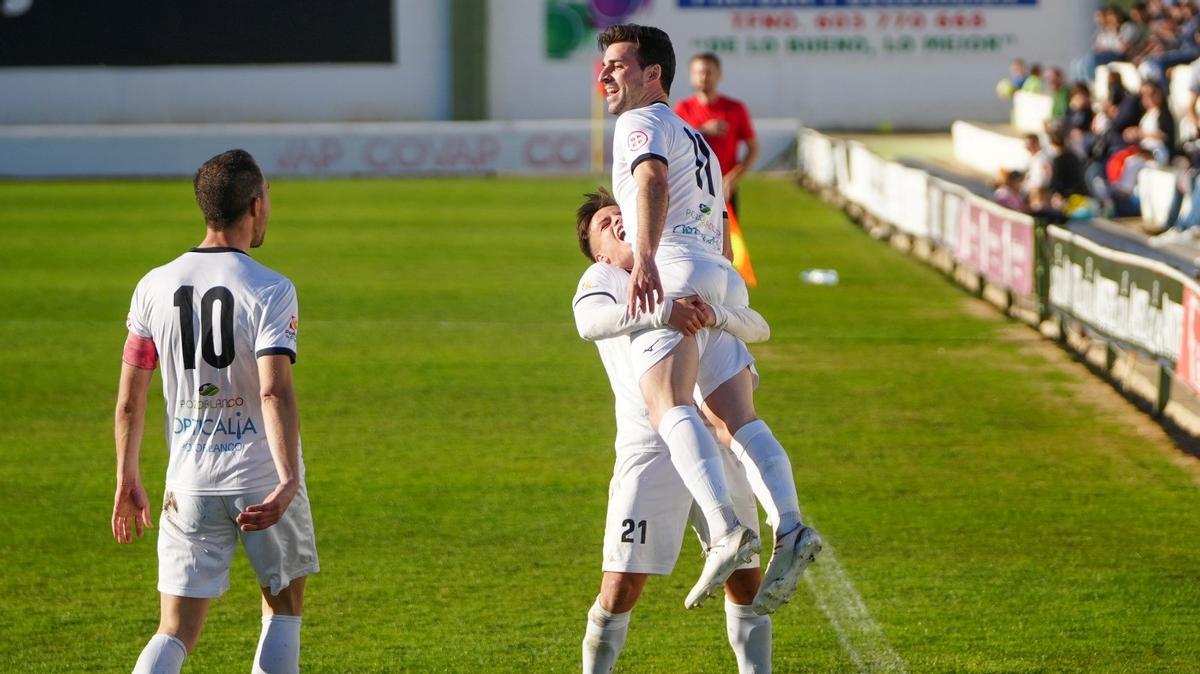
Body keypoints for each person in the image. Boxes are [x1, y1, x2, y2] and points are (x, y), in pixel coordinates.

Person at [596, 22, 819, 613]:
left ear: (653, 76)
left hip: (673, 265)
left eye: (617, 65)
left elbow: (649, 179)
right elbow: (718, 222)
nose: (605, 75)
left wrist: (643, 258)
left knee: (667, 403)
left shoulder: (637, 122)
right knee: (737, 416)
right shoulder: (696, 136)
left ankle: (725, 528)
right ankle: (792, 525)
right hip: (718, 271)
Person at [113, 149, 317, 674]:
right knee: (283, 611)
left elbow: (130, 399)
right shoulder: (271, 288)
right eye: (267, 196)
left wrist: (126, 478)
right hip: (262, 478)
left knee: (175, 630)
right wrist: (289, 477)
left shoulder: (152, 285)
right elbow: (273, 392)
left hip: (189, 483)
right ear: (255, 204)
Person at [573, 188, 776, 672]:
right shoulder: (602, 276)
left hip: (711, 440)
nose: (618, 221)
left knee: (745, 582)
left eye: (622, 212)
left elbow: (754, 322)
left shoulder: (682, 265)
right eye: (605, 222)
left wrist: (718, 311)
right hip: (649, 446)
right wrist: (660, 311)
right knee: (621, 587)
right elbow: (589, 322)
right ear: (599, 250)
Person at [674, 52, 759, 215]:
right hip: (693, 188)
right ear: (691, 76)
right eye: (698, 72)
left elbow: (753, 149)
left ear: (719, 75)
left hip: (725, 187)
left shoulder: (735, 108)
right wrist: (704, 130)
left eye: (708, 72)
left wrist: (732, 178)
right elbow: (676, 144)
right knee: (696, 238)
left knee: (728, 239)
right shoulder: (683, 108)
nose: (703, 77)